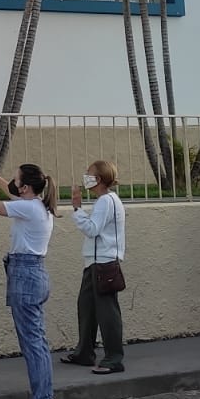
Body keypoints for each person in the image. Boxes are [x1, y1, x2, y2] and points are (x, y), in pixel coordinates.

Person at [0, 158, 59, 399]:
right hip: (32, 274)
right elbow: (10, 191)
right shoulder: (36, 205)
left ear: (25, 188)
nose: (12, 182)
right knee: (37, 342)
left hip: (26, 276)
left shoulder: (28, 208)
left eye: (16, 179)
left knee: (33, 344)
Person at [63, 160, 127, 375]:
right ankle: (84, 352)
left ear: (98, 179)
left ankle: (114, 359)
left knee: (107, 312)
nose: (86, 177)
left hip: (103, 263)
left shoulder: (106, 201)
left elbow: (92, 229)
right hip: (95, 262)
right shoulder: (106, 200)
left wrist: (77, 209)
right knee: (86, 307)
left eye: (89, 174)